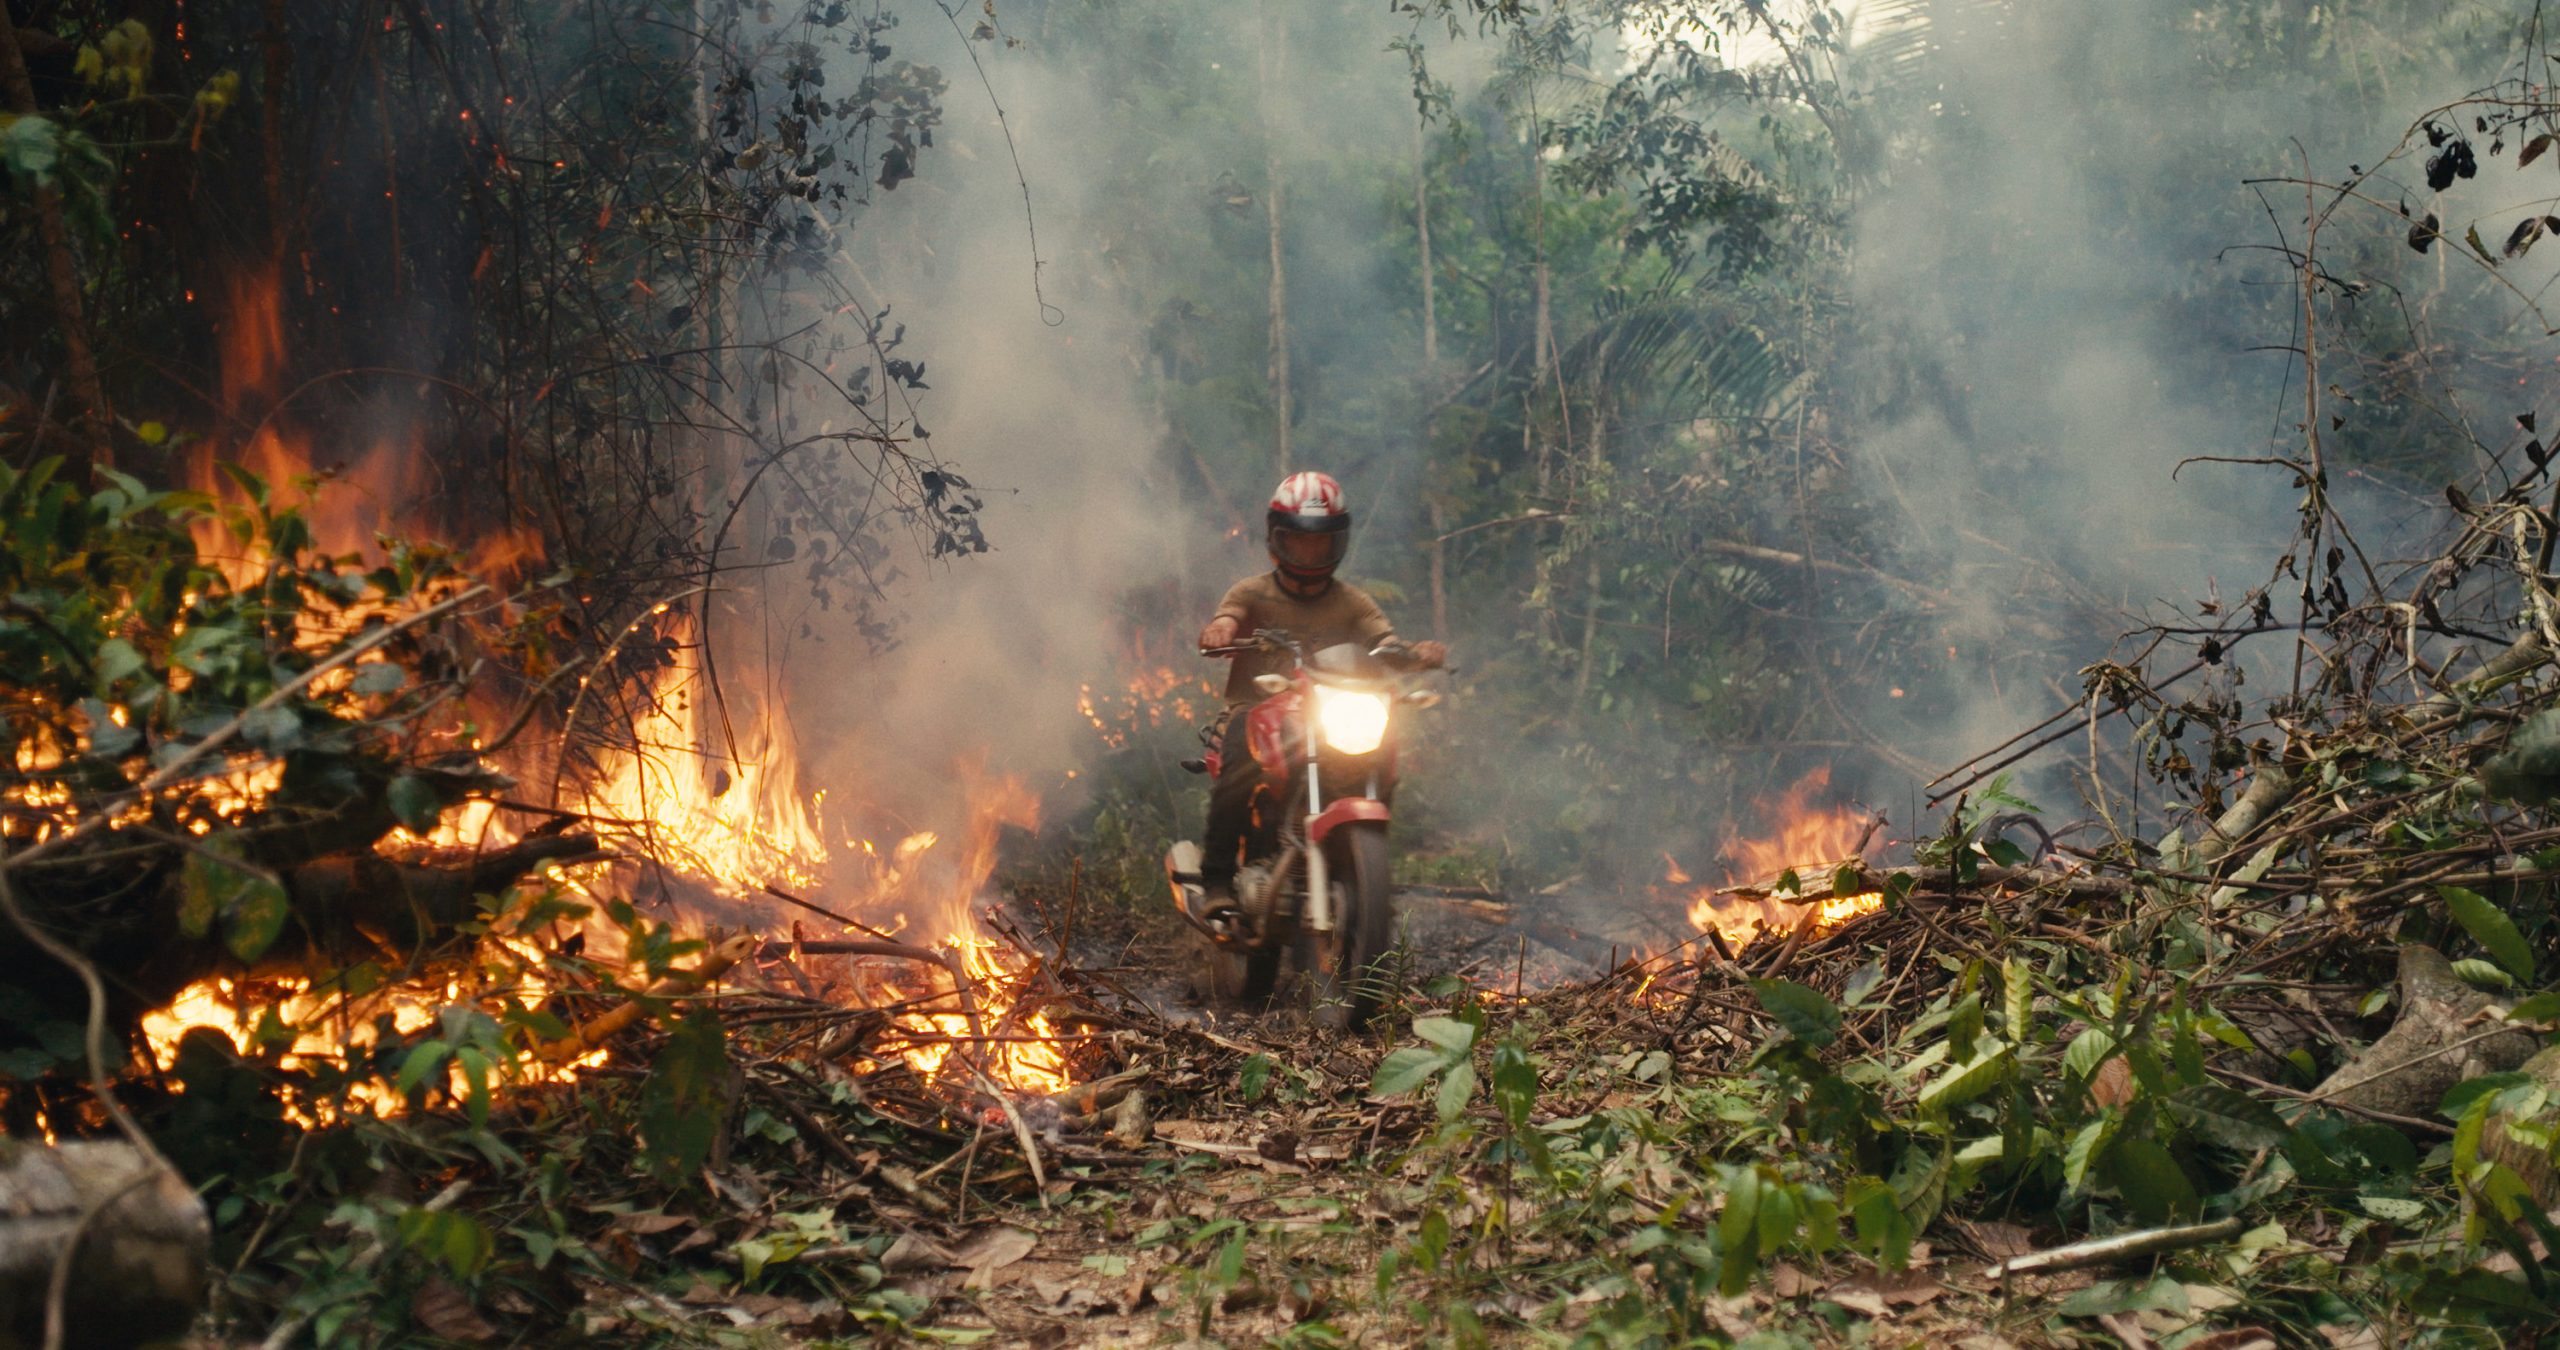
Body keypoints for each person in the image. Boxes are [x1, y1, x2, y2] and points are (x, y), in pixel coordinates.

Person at [1194, 471, 1446, 909]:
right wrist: (1220, 630)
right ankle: (1216, 882)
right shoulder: (1253, 591)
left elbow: (1383, 641)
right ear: (1278, 539)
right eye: (1300, 540)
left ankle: (1360, 869)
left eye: (1321, 542)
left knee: (1382, 753)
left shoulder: (1353, 602)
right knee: (1238, 765)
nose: (1311, 550)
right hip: (1257, 709)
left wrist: (1414, 654)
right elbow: (1228, 616)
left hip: (1324, 710)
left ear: (1337, 542)